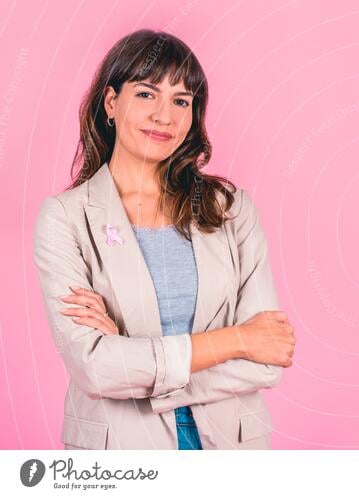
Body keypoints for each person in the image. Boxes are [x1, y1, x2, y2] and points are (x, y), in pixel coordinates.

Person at [32, 29, 295, 450]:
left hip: (232, 447)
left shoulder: (230, 208)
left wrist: (131, 359)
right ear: (111, 103)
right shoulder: (66, 218)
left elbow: (268, 361)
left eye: (181, 101)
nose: (164, 116)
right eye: (146, 94)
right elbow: (96, 369)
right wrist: (235, 340)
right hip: (120, 453)